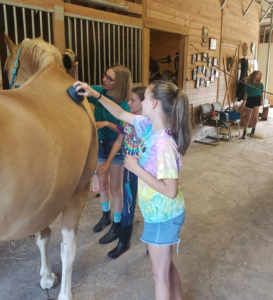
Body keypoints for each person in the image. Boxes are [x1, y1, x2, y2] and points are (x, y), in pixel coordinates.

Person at [74, 80, 191, 300]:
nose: (137, 103)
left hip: (163, 216)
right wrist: (95, 94)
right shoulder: (148, 126)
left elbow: (170, 190)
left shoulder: (163, 143)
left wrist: (136, 169)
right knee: (166, 267)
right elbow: (118, 113)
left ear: (154, 104)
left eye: (144, 98)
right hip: (159, 214)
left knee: (160, 277)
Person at [82, 65, 131, 244]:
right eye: (105, 76)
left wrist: (105, 124)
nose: (105, 80)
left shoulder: (124, 104)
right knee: (102, 184)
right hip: (100, 144)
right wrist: (73, 69)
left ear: (120, 83)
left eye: (110, 79)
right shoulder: (98, 91)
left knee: (115, 188)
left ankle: (117, 224)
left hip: (116, 147)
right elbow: (78, 87)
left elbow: (121, 133)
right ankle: (105, 216)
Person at [97, 86, 146, 259]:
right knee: (129, 205)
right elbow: (119, 141)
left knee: (149, 205)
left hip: (148, 172)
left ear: (144, 102)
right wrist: (107, 163)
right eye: (129, 99)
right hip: (130, 170)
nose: (129, 102)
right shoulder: (127, 121)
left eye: (133, 100)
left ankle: (153, 242)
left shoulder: (149, 122)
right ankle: (123, 243)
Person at [240, 71, 264, 139]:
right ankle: (244, 132)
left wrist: (262, 101)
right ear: (254, 75)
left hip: (257, 99)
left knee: (255, 116)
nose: (260, 76)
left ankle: (253, 130)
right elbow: (245, 94)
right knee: (247, 117)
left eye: (260, 75)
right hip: (250, 99)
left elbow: (262, 93)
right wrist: (243, 102)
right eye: (258, 74)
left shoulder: (261, 84)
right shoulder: (249, 84)